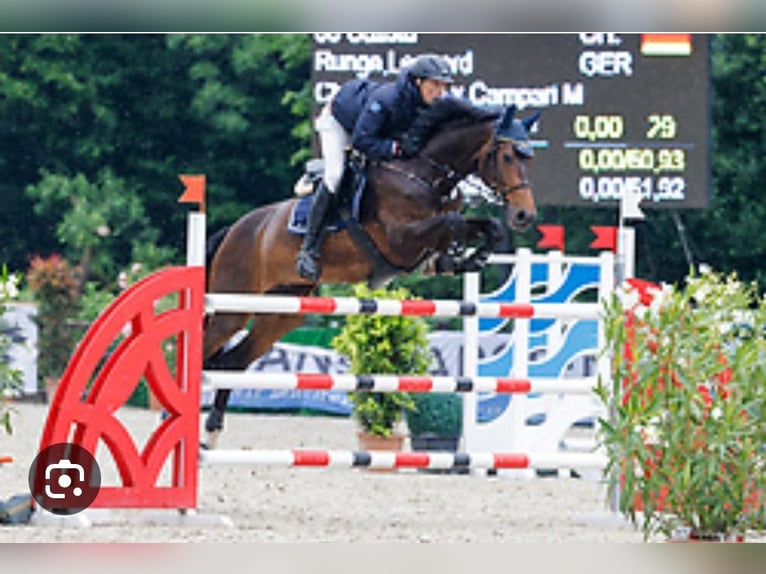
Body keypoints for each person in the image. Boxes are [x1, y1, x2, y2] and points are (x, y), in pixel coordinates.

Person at [295, 53, 454, 281]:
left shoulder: (433, 104)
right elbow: (361, 140)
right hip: (340, 123)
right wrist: (395, 149)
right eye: (435, 85)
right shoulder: (388, 99)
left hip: (374, 130)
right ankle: (308, 249)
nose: (440, 92)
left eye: (444, 86)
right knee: (335, 175)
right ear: (418, 82)